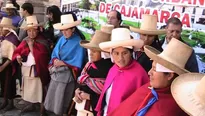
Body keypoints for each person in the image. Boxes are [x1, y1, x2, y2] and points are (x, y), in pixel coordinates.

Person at [109, 38, 190, 116]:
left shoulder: (172, 108)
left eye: (154, 69)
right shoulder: (146, 89)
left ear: (169, 75)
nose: (149, 72)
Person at [95, 28, 149, 116]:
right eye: (116, 53)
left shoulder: (139, 74)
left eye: (125, 53)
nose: (120, 58)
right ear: (111, 54)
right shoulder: (113, 69)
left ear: (131, 53)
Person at [44, 13, 87, 116]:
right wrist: (54, 60)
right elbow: (55, 53)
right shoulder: (62, 39)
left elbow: (78, 61)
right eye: (62, 30)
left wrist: (63, 63)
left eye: (67, 29)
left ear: (73, 29)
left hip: (67, 76)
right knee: (53, 98)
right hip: (56, 74)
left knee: (62, 100)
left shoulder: (78, 42)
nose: (64, 32)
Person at [12, 15, 50, 115]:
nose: (31, 33)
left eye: (33, 30)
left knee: (40, 91)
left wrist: (31, 46)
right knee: (29, 90)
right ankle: (32, 105)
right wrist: (18, 56)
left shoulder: (42, 41)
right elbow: (17, 51)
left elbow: (41, 57)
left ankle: (42, 109)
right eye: (29, 31)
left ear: (38, 30)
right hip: (26, 70)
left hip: (37, 71)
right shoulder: (25, 40)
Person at [74, 30, 113, 115]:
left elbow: (107, 93)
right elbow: (83, 80)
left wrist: (89, 97)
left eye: (94, 51)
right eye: (90, 51)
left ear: (103, 53)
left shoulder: (107, 69)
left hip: (94, 110)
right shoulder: (90, 64)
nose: (90, 54)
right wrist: (77, 90)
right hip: (83, 106)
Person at [0, 17, 20, 111]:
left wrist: (3, 66)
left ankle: (10, 102)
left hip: (9, 65)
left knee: (9, 84)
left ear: (7, 29)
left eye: (1, 28)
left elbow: (12, 56)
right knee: (4, 83)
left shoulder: (12, 39)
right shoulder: (4, 37)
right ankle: (5, 101)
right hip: (2, 62)